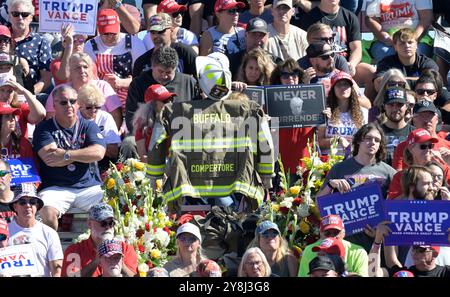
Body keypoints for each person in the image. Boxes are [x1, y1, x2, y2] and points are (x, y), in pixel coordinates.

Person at [147, 52, 273, 211]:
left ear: (200, 83)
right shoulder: (249, 110)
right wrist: (266, 178)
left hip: (187, 192)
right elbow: (267, 145)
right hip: (239, 190)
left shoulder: (173, 111)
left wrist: (154, 179)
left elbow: (155, 146)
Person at [32, 85, 106, 230]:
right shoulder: (44, 128)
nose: (69, 106)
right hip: (55, 188)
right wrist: (84, 154)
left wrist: (66, 154)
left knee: (111, 208)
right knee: (47, 212)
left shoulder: (89, 126)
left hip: (89, 187)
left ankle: (102, 248)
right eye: (63, 102)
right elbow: (50, 158)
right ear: (54, 105)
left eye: (73, 101)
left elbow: (98, 153)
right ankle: (53, 251)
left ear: (78, 103)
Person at [317, 123, 396, 253]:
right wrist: (331, 185)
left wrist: (380, 230)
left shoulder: (388, 172)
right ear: (359, 140)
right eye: (368, 138)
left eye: (377, 140)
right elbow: (318, 203)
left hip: (375, 243)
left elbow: (396, 206)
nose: (372, 143)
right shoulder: (339, 168)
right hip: (345, 241)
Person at [126, 46, 198, 133]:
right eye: (160, 71)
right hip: (147, 133)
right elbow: (131, 119)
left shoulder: (189, 82)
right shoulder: (138, 84)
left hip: (183, 132)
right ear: (152, 66)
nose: (164, 76)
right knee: (128, 143)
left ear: (175, 68)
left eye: (168, 72)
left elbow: (199, 113)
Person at [84, 9, 147, 108]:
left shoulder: (135, 43)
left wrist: (122, 82)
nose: (110, 37)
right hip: (102, 97)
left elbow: (145, 77)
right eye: (105, 33)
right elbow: (89, 79)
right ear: (98, 29)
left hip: (131, 95)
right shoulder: (90, 46)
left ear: (119, 25)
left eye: (113, 33)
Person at [45, 53, 123, 130]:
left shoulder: (103, 86)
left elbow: (116, 116)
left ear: (91, 69)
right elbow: (51, 119)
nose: (82, 70)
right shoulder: (59, 91)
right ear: (70, 71)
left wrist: (112, 137)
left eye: (85, 67)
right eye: (77, 68)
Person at [61, 203, 138, 277]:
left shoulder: (126, 249)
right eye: (103, 223)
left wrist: (117, 260)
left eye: (111, 223)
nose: (107, 227)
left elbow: (133, 275)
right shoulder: (75, 250)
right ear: (89, 224)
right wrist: (96, 261)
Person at [8, 183, 63, 277]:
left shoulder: (50, 233)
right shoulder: (4, 231)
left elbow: (56, 271)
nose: (28, 205)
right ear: (15, 206)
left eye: (32, 202)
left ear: (37, 206)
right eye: (22, 202)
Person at [369, 220, 450, 277]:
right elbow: (373, 274)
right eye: (414, 248)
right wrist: (377, 241)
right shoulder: (404, 273)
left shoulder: (445, 272)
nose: (415, 252)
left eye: (421, 250)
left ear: (435, 254)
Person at [298, 214, 369, 277]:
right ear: (320, 234)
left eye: (336, 233)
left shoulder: (358, 252)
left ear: (344, 233)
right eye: (327, 233)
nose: (332, 237)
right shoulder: (310, 250)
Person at [365, 0, 434, 63]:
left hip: (417, 38)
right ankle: (391, 76)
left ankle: (415, 76)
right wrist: (386, 38)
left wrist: (414, 39)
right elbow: (371, 19)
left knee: (417, 52)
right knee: (385, 53)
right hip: (385, 40)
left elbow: (426, 18)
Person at [318, 71, 368, 156]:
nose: (343, 88)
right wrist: (337, 140)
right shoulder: (326, 111)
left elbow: (365, 141)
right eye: (339, 85)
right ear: (333, 89)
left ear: (351, 89)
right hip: (329, 160)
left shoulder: (363, 112)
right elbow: (319, 143)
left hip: (353, 159)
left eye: (346, 84)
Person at [133, 13, 197, 78]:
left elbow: (198, 78)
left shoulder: (185, 53)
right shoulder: (142, 62)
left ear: (171, 30)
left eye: (161, 31)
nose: (156, 36)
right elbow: (136, 86)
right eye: (153, 32)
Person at [374, 28, 439, 92]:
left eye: (410, 42)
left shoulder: (427, 62)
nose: (407, 46)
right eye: (402, 43)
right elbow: (378, 83)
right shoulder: (386, 62)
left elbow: (432, 82)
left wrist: (396, 81)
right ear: (395, 46)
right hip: (395, 98)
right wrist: (417, 80)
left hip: (422, 96)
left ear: (416, 45)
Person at [8, 0, 52, 95]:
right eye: (15, 14)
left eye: (24, 14)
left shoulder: (41, 41)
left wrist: (28, 94)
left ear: (31, 17)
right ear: (9, 16)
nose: (20, 18)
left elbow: (46, 78)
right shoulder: (2, 37)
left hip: (30, 93)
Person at [391, 101, 450, 171]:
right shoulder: (403, 147)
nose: (426, 120)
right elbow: (398, 175)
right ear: (414, 120)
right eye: (421, 116)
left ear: (437, 119)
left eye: (430, 115)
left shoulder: (447, 145)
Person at [77, 84, 121, 173]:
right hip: (79, 163)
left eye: (97, 107)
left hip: (103, 163)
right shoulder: (74, 118)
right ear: (80, 105)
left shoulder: (106, 117)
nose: (93, 110)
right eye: (89, 107)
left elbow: (113, 151)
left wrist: (90, 145)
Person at [132, 84, 176, 162]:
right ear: (152, 104)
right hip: (155, 168)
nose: (170, 103)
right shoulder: (142, 124)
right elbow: (143, 157)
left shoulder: (178, 119)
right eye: (165, 101)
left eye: (171, 99)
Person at [0, 72, 46, 140]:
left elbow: (41, 114)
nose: (5, 95)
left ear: (14, 93)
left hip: (22, 149)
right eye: (1, 90)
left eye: (10, 91)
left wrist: (24, 91)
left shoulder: (20, 108)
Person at [379, 86, 414, 165]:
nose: (395, 109)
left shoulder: (415, 133)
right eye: (391, 104)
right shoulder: (376, 132)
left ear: (406, 106)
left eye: (399, 104)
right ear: (384, 106)